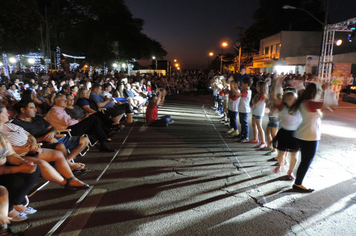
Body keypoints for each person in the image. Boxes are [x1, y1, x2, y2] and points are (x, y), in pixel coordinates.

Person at [0, 104, 90, 191]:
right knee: (41, 163)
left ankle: (71, 177)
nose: (8, 114)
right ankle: (66, 182)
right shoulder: (2, 132)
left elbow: (30, 136)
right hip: (18, 154)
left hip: (32, 148)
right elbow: (7, 150)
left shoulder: (10, 125)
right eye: (5, 112)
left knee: (58, 153)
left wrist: (33, 144)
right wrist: (28, 148)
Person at [12, 99, 88, 170]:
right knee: (60, 146)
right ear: (22, 110)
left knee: (84, 140)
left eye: (35, 107)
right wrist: (45, 138)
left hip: (55, 138)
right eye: (32, 108)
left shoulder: (38, 118)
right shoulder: (16, 124)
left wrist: (51, 133)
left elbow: (53, 128)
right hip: (42, 144)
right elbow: (25, 141)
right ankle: (67, 165)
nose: (35, 110)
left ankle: (68, 161)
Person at [289, 82, 329, 192]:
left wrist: (323, 90)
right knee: (306, 161)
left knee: (304, 160)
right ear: (315, 93)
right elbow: (331, 102)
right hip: (309, 136)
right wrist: (329, 90)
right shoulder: (310, 103)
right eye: (319, 92)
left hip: (301, 134)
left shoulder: (303, 101)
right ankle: (298, 183)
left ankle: (297, 181)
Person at [46, 93, 115, 152]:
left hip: (71, 128)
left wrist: (78, 120)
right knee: (93, 119)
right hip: (67, 131)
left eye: (65, 100)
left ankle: (104, 142)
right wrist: (79, 120)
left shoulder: (60, 110)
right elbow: (68, 122)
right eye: (63, 100)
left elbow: (69, 120)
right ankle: (107, 134)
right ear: (56, 101)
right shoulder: (55, 111)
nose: (65, 102)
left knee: (94, 121)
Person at [0, 134, 40, 223]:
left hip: (3, 168)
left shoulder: (2, 136)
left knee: (34, 169)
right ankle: (8, 210)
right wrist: (19, 168)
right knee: (15, 182)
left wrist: (23, 162)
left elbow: (11, 155)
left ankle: (17, 202)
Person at [273, 90, 302, 180]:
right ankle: (280, 164)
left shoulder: (300, 107)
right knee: (281, 152)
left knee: (294, 154)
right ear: (285, 100)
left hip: (296, 133)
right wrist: (277, 82)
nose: (293, 100)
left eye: (295, 98)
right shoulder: (282, 107)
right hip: (284, 133)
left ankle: (290, 172)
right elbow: (275, 96)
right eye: (291, 99)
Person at [249, 81, 268, 148]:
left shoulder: (262, 95)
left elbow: (255, 102)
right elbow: (253, 101)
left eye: (258, 86)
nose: (256, 87)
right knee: (254, 125)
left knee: (259, 127)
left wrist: (254, 100)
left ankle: (263, 142)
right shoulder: (258, 94)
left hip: (259, 112)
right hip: (255, 111)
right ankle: (255, 138)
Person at [236, 77, 253, 143]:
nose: (241, 84)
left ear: (246, 84)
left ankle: (246, 136)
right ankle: (242, 134)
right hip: (242, 109)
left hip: (245, 110)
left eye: (242, 83)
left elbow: (237, 94)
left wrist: (232, 86)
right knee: (242, 122)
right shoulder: (245, 91)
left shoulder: (247, 92)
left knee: (244, 123)